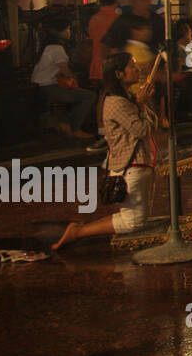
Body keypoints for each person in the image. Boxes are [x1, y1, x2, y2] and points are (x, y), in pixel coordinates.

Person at [52, 51, 158, 249]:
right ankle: (78, 232)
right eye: (131, 66)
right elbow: (142, 129)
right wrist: (141, 106)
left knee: (134, 218)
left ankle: (79, 231)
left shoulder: (127, 99)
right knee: (132, 222)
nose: (137, 70)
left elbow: (154, 123)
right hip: (130, 166)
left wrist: (141, 103)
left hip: (140, 163)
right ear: (118, 73)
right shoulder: (115, 102)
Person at [32, 19, 98, 144]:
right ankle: (73, 127)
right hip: (48, 88)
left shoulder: (46, 47)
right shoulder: (56, 49)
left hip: (42, 87)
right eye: (67, 29)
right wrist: (77, 79)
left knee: (79, 93)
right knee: (89, 95)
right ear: (59, 32)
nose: (69, 32)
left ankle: (67, 123)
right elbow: (66, 71)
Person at [87, 0, 121, 86]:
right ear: (116, 0)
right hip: (112, 68)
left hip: (96, 66)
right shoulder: (117, 20)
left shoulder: (93, 19)